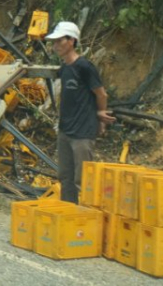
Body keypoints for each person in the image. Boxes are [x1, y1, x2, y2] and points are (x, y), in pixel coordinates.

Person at [46, 21, 116, 203]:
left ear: (71, 41)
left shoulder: (85, 67)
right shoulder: (65, 69)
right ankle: (68, 212)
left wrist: (100, 115)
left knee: (82, 179)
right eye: (54, 42)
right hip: (65, 131)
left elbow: (101, 93)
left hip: (82, 133)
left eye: (59, 41)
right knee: (65, 177)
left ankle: (84, 217)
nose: (55, 46)